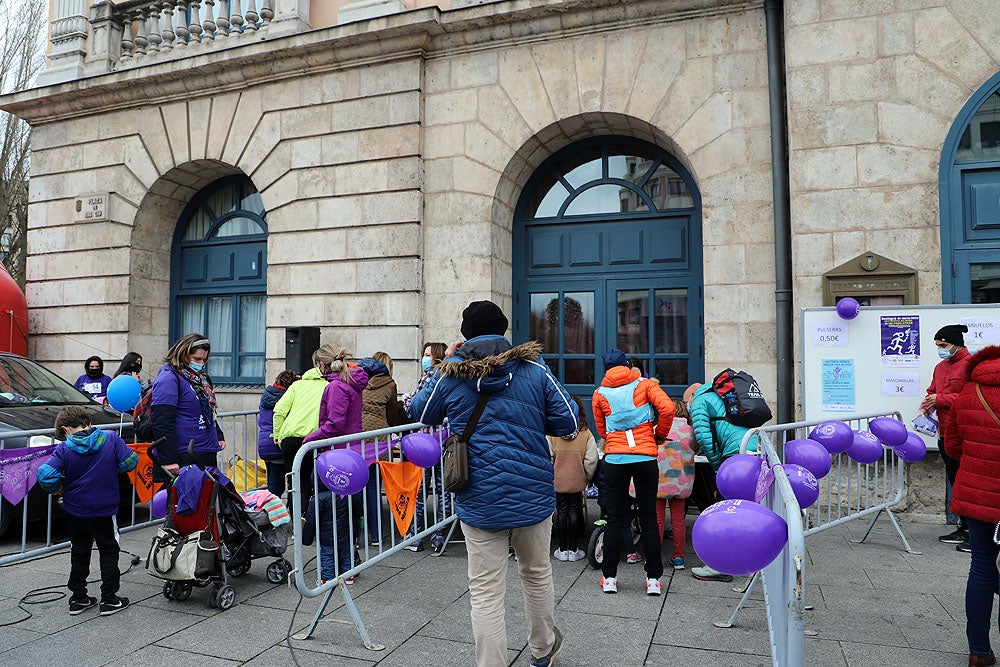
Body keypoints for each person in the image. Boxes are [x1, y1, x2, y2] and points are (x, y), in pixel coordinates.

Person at [410, 299, 578, 667]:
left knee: (485, 591)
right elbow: (568, 420)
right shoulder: (533, 367)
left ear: (465, 334)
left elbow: (420, 412)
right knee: (536, 574)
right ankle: (542, 650)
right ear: (504, 331)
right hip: (531, 493)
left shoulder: (452, 373)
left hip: (479, 496)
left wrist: (442, 363)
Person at [35, 406, 139, 616]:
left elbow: (45, 475)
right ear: (87, 422)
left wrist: (57, 488)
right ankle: (109, 598)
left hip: (76, 510)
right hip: (104, 509)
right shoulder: (110, 438)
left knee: (79, 552)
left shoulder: (64, 449)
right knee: (109, 551)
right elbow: (131, 462)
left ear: (65, 429)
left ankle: (78, 598)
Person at [591, 348, 675, 597]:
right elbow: (668, 409)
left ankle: (609, 578)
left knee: (615, 518)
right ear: (627, 365)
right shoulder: (646, 384)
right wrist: (657, 435)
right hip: (645, 456)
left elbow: (601, 429)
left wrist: (614, 441)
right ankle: (653, 580)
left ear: (605, 369)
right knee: (649, 517)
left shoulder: (599, 394)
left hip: (616, 459)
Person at [942, 344, 1000, 667]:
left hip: (977, 498)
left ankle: (978, 652)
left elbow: (951, 445)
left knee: (980, 566)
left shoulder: (968, 394)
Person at [303, 346, 369, 580]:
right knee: (348, 516)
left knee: (332, 521)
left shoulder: (336, 386)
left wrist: (308, 440)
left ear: (321, 365)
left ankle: (333, 572)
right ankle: (350, 566)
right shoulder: (351, 383)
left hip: (336, 458)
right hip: (350, 456)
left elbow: (335, 424)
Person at [688, 379, 758, 581]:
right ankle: (750, 558)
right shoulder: (726, 396)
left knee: (728, 510)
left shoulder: (701, 399)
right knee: (746, 507)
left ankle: (720, 564)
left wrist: (718, 466)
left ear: (692, 396)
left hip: (735, 454)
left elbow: (703, 437)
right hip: (755, 447)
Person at [921, 324, 974, 549]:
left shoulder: (971, 365)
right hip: (945, 434)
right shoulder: (940, 367)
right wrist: (927, 404)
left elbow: (971, 397)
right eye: (937, 346)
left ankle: (976, 532)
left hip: (965, 434)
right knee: (956, 481)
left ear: (956, 344)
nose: (940, 349)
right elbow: (933, 391)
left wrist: (940, 399)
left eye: (943, 345)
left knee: (968, 483)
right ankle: (964, 528)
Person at [150, 334, 226, 484]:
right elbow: (162, 421)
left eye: (204, 360)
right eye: (197, 359)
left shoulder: (200, 378)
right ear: (183, 354)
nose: (201, 363)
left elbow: (207, 410)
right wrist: (169, 460)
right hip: (184, 455)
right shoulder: (169, 378)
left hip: (204, 451)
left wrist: (218, 434)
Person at [272, 345, 339, 512]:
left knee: (294, 482)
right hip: (314, 438)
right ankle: (308, 518)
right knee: (312, 481)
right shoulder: (332, 386)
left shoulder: (297, 385)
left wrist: (278, 434)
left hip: (289, 438)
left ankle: (297, 524)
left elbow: (279, 411)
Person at [401, 341, 453, 554]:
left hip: (424, 443)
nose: (425, 358)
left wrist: (406, 399)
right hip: (444, 441)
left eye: (428, 354)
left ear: (437, 357)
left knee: (420, 490)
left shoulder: (428, 378)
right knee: (443, 491)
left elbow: (415, 409)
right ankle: (440, 536)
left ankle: (414, 536)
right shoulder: (450, 378)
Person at [357, 353, 405, 545]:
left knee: (356, 488)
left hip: (356, 436)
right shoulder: (389, 385)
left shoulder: (356, 379)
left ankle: (356, 537)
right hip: (378, 439)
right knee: (374, 487)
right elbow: (392, 415)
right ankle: (376, 535)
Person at [547, 394, 599, 562]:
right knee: (574, 511)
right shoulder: (586, 434)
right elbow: (591, 460)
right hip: (577, 479)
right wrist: (585, 477)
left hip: (558, 479)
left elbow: (547, 457)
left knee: (561, 511)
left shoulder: (552, 433)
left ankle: (562, 550)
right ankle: (574, 549)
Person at [655, 399, 696, 570]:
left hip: (658, 480)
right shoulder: (690, 431)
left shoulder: (656, 429)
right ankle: (678, 558)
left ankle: (654, 555)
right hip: (681, 481)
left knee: (657, 520)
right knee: (678, 520)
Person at [257, 370, 299, 496]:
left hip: (264, 443)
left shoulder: (266, 396)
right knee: (276, 487)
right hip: (276, 444)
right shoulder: (286, 399)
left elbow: (261, 420)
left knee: (272, 481)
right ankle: (273, 512)